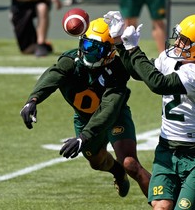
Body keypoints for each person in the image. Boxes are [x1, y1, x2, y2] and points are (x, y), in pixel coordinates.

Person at [20, 17, 151, 198]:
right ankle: (117, 172)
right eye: (88, 45)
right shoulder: (71, 60)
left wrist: (83, 137)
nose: (89, 52)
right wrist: (32, 100)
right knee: (96, 162)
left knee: (131, 164)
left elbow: (109, 109)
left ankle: (163, 204)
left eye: (97, 49)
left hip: (115, 117)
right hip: (84, 118)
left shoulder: (118, 71)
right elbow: (54, 74)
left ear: (110, 52)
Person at [104, 11, 195, 209]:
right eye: (179, 38)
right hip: (166, 148)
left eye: (185, 41)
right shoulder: (170, 59)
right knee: (161, 206)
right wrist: (119, 42)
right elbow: (139, 72)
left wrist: (134, 49)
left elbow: (158, 84)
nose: (177, 44)